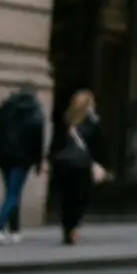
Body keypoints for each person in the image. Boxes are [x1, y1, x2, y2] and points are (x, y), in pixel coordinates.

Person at [0, 86, 46, 243]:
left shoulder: (6, 107)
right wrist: (38, 162)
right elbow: (37, 140)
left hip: (4, 157)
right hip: (22, 159)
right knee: (13, 193)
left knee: (11, 192)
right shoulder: (35, 111)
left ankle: (15, 230)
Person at [48, 90, 102, 246]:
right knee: (80, 199)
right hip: (81, 165)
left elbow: (56, 143)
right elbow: (97, 146)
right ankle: (73, 228)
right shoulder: (91, 124)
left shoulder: (66, 122)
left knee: (66, 198)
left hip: (63, 164)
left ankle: (67, 229)